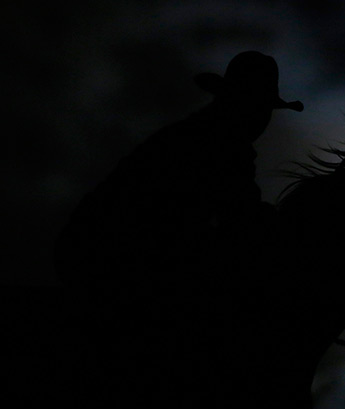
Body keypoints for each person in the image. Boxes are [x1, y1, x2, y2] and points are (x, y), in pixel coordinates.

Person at [55, 51, 303, 292]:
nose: (262, 118)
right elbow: (242, 217)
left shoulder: (195, 133)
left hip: (91, 251)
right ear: (241, 104)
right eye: (259, 107)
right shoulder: (221, 143)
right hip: (115, 263)